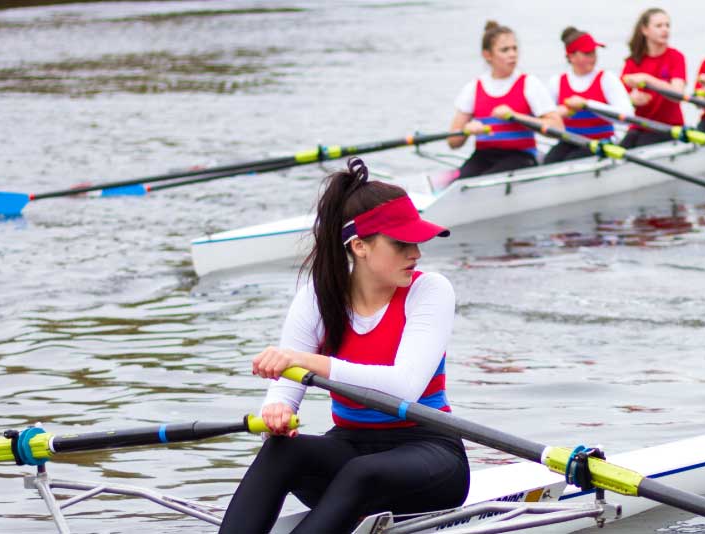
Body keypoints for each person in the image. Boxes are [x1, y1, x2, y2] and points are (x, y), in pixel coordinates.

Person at [221, 158, 468, 534]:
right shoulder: (316, 298)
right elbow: (286, 385)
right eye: (401, 243)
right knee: (281, 452)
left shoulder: (430, 290)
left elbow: (406, 386)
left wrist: (309, 362)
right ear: (360, 246)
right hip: (350, 446)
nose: (415, 253)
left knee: (363, 473)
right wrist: (276, 409)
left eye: (416, 241)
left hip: (430, 451)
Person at [448, 20, 563, 179]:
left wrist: (515, 116)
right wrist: (466, 130)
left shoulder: (529, 84)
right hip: (483, 156)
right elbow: (453, 142)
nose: (512, 54)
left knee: (483, 183)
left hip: (521, 156)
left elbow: (558, 128)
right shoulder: (473, 87)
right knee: (459, 183)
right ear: (487, 55)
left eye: (514, 48)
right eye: (505, 50)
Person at [545, 26, 636, 164]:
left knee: (572, 161)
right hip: (570, 141)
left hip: (601, 143)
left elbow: (627, 115)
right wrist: (557, 113)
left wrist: (587, 105)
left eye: (594, 51)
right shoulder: (556, 82)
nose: (593, 57)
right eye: (587, 53)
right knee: (549, 162)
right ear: (571, 56)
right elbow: (544, 117)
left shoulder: (606, 79)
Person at [619, 7, 687, 149]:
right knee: (623, 147)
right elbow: (621, 99)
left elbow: (678, 95)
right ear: (645, 30)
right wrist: (632, 99)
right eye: (659, 26)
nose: (665, 30)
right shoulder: (633, 61)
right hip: (639, 126)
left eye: (667, 25)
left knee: (643, 144)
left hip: (669, 127)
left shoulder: (676, 57)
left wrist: (647, 79)